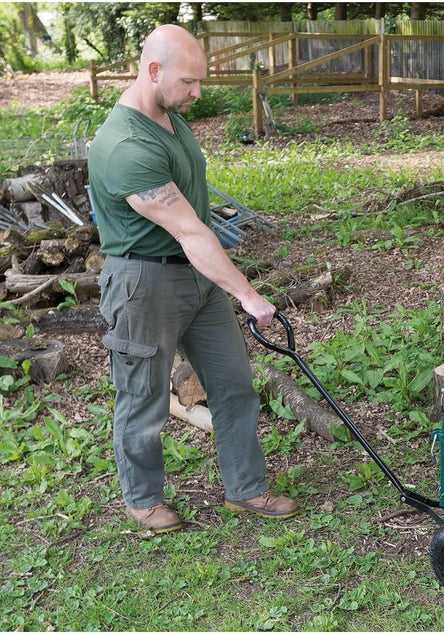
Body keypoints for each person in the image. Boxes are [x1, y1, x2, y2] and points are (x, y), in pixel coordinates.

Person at [88, 24, 299, 533]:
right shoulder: (123, 146)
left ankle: (246, 490)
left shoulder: (168, 117)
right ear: (153, 71)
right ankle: (142, 500)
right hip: (144, 284)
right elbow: (189, 230)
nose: (197, 93)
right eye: (189, 82)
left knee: (234, 386)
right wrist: (247, 295)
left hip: (198, 280)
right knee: (142, 398)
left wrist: (223, 285)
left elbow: (195, 221)